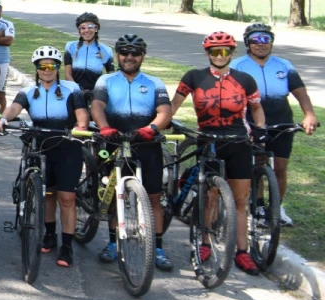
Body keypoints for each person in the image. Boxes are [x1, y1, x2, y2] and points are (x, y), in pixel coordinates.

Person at [170, 31, 266, 277]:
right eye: (215, 51)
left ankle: (242, 252)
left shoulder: (245, 80)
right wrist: (162, 125)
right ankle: (205, 243)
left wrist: (261, 131)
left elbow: (256, 109)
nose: (220, 55)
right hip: (209, 140)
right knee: (211, 195)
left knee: (240, 201)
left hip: (238, 142)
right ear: (207, 53)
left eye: (225, 51)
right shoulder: (194, 77)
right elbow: (173, 106)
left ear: (233, 53)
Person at [0, 46, 90, 269]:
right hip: (40, 145)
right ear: (36, 69)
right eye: (42, 66)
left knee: (66, 198)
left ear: (57, 68)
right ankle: (50, 234)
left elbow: (81, 113)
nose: (47, 70)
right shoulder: (29, 91)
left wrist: (82, 126)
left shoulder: (71, 89)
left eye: (52, 66)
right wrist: (2, 120)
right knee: (47, 193)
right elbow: (14, 108)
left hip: (68, 144)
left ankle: (67, 246)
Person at [89, 34, 174, 271]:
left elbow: (165, 110)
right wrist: (104, 127)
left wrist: (152, 128)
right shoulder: (106, 80)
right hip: (115, 140)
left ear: (143, 56)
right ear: (117, 55)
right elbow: (97, 106)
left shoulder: (155, 82)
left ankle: (157, 247)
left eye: (135, 53)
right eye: (124, 52)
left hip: (147, 142)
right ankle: (114, 243)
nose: (129, 57)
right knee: (119, 196)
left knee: (154, 197)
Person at [230, 22, 317, 226]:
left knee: (280, 167)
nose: (261, 44)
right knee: (258, 163)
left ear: (271, 42)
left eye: (265, 39)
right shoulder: (237, 66)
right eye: (256, 40)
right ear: (248, 43)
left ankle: (276, 207)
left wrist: (309, 114)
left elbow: (300, 92)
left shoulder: (284, 65)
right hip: (252, 122)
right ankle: (258, 205)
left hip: (282, 121)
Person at [64, 11, 114, 101]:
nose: (87, 30)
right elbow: (68, 74)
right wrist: (78, 91)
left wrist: (100, 92)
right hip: (75, 91)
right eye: (83, 28)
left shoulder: (106, 50)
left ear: (96, 28)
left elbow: (111, 76)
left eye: (90, 27)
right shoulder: (70, 47)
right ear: (79, 30)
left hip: (96, 94)